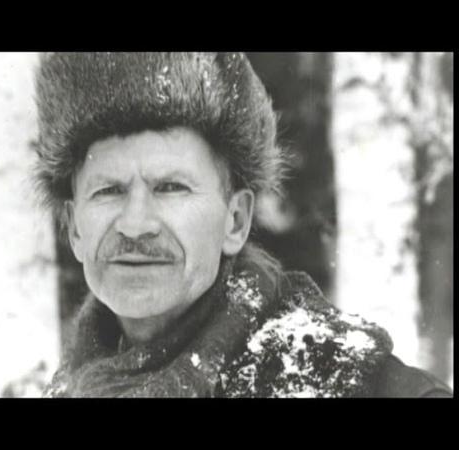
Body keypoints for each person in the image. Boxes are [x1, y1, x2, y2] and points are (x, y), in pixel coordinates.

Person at [33, 52, 452, 398]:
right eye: (108, 191)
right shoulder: (69, 390)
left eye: (171, 187)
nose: (135, 224)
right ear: (74, 229)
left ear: (235, 221)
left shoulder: (349, 384)